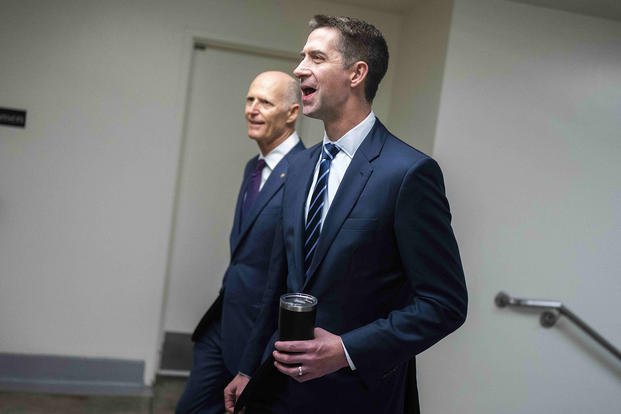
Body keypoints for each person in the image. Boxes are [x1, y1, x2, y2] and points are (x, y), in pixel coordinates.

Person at [224, 15, 468, 414]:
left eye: (316, 57)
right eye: (301, 57)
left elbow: (444, 303)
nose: (299, 68)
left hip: (357, 395)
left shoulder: (407, 173)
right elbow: (279, 281)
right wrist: (248, 367)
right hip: (280, 391)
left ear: (356, 73)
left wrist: (345, 350)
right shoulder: (300, 168)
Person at [175, 71, 305, 414]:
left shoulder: (305, 172)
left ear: (293, 112)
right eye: (250, 99)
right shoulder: (254, 165)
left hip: (259, 338)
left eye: (265, 102)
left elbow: (289, 271)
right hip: (221, 324)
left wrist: (258, 355)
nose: (253, 109)